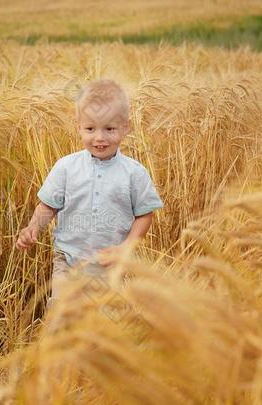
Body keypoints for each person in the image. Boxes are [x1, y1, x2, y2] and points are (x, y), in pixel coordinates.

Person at [15, 79, 164, 308]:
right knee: (63, 313)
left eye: (110, 129)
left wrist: (127, 247)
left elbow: (145, 214)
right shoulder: (66, 167)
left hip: (109, 262)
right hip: (68, 258)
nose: (100, 138)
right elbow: (48, 206)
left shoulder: (134, 173)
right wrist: (34, 227)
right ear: (78, 127)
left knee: (103, 320)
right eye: (90, 129)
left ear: (125, 127)